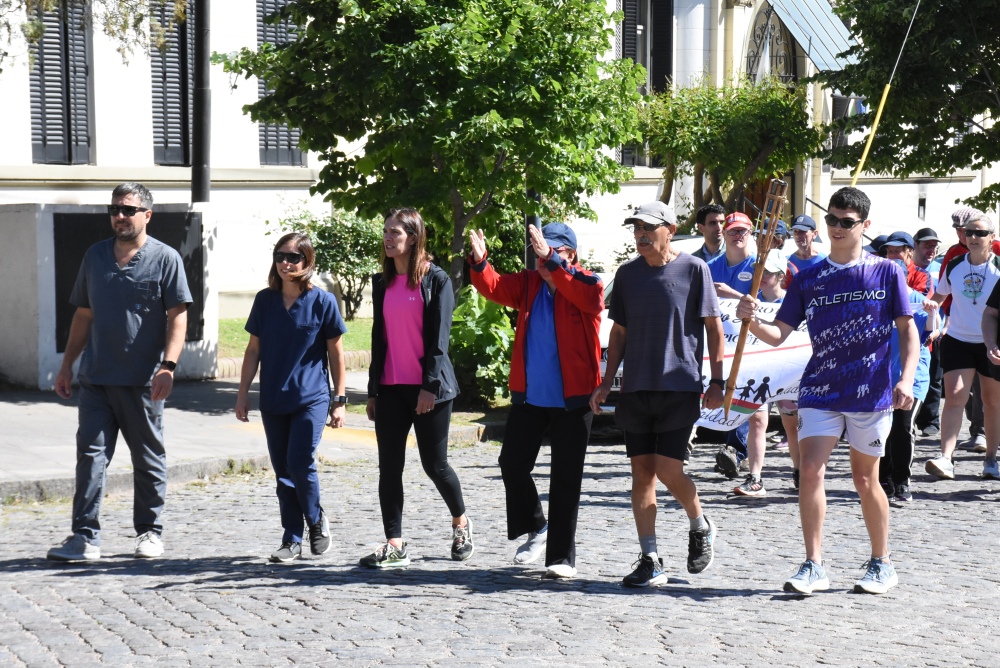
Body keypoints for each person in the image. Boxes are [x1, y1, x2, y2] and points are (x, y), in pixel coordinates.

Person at [736, 186, 917, 595]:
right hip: (819, 389)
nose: (837, 228)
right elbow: (778, 334)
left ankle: (881, 561)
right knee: (810, 470)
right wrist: (750, 319)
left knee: (864, 479)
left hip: (870, 392)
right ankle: (814, 563)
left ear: (864, 226)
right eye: (832, 220)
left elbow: (908, 333)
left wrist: (905, 379)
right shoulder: (809, 278)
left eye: (846, 223)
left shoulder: (887, 272)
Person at [47, 182, 192, 562]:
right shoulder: (95, 257)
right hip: (95, 378)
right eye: (115, 209)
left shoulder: (166, 258)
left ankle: (149, 532)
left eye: (128, 209)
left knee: (148, 458)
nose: (120, 216)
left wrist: (168, 366)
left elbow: (178, 316)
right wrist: (67, 366)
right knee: (90, 457)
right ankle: (84, 537)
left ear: (147, 214)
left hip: (143, 382)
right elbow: (84, 314)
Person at [590, 201, 723, 587]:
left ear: (671, 228)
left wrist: (717, 381)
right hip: (636, 388)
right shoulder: (628, 275)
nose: (640, 235)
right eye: (636, 229)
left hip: (679, 385)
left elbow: (713, 328)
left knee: (668, 470)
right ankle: (650, 558)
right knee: (641, 474)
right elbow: (618, 333)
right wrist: (606, 381)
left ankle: (700, 524)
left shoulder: (694, 269)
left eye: (648, 228)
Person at [467, 222, 603, 580]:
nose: (543, 257)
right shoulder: (528, 283)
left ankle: (562, 559)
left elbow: (593, 298)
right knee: (512, 463)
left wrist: (555, 265)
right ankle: (537, 527)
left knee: (565, 479)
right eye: (540, 251)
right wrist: (481, 261)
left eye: (553, 251)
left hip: (574, 401)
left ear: (571, 254)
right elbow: (493, 285)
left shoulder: (587, 282)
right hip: (531, 400)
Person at [361, 208, 473, 568]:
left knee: (435, 465)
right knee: (388, 468)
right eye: (386, 232)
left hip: (430, 390)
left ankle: (461, 522)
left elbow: (439, 340)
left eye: (395, 232)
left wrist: (430, 386)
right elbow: (379, 339)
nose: (388, 238)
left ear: (413, 237)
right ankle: (395, 542)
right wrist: (374, 389)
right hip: (391, 387)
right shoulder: (381, 283)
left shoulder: (435, 280)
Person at [235, 233, 348, 563]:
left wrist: (338, 400)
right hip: (273, 399)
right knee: (283, 471)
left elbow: (337, 354)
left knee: (300, 462)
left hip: (311, 398)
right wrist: (243, 395)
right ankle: (291, 538)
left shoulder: (323, 302)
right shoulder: (264, 300)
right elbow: (253, 349)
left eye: (294, 257)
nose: (286, 262)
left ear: (308, 261)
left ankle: (315, 521)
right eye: (280, 256)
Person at [925, 213, 1000, 481]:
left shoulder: (998, 267)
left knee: (992, 401)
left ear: (992, 237)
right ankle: (946, 458)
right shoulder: (955, 264)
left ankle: (991, 458)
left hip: (990, 342)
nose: (973, 237)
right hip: (958, 337)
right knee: (955, 396)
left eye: (980, 233)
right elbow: (939, 295)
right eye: (969, 233)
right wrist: (930, 306)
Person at [880, 238, 938, 506]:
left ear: (906, 276)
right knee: (881, 430)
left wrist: (932, 314)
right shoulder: (876, 300)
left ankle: (901, 480)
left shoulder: (917, 300)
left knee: (902, 428)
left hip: (912, 378)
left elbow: (931, 332)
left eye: (896, 278)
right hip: (880, 378)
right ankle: (882, 481)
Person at [732, 249, 789, 498]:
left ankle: (801, 472)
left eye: (769, 272)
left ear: (781, 276)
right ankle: (755, 478)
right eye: (760, 270)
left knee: (792, 425)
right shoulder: (749, 300)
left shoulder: (791, 302)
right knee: (757, 421)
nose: (763, 276)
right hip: (759, 369)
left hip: (788, 371)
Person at [708, 211, 759, 478]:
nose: (738, 236)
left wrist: (734, 295)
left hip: (750, 342)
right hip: (717, 342)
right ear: (724, 234)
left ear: (750, 234)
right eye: (733, 231)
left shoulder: (759, 267)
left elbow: (766, 308)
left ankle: (735, 450)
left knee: (744, 393)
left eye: (743, 231)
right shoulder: (710, 267)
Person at [913, 227, 944, 437]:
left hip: (935, 331)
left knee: (934, 378)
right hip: (914, 329)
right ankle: (911, 418)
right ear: (915, 245)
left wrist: (942, 326)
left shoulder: (941, 269)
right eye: (926, 245)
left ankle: (930, 421)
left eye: (934, 246)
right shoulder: (907, 269)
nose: (931, 250)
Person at [882, 231, 931, 296]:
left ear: (910, 251)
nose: (892, 255)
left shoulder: (922, 276)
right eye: (890, 251)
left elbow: (919, 302)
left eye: (897, 251)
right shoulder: (881, 272)